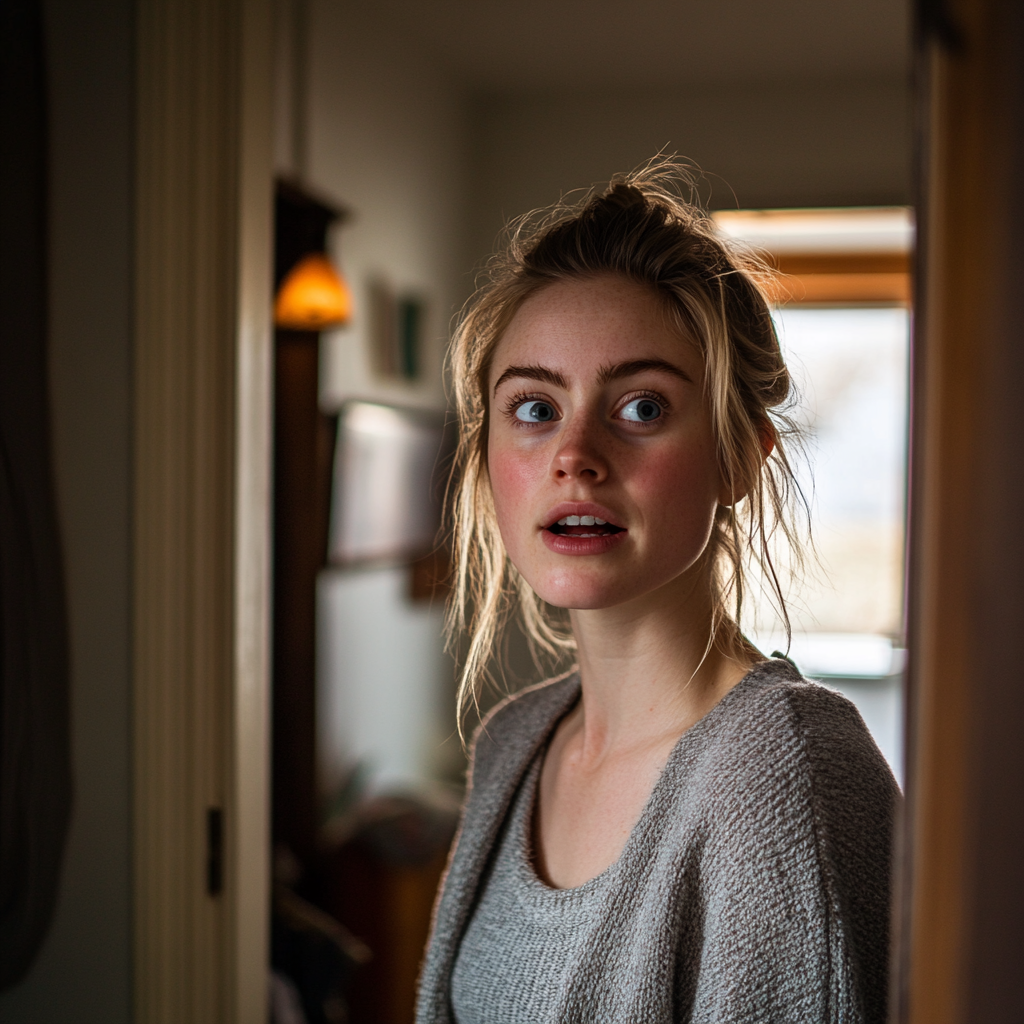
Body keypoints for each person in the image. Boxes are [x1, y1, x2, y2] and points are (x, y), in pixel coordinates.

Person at [416, 162, 899, 1024]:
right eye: (534, 407)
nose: (575, 455)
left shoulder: (786, 777)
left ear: (741, 455)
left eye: (640, 406)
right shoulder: (512, 743)